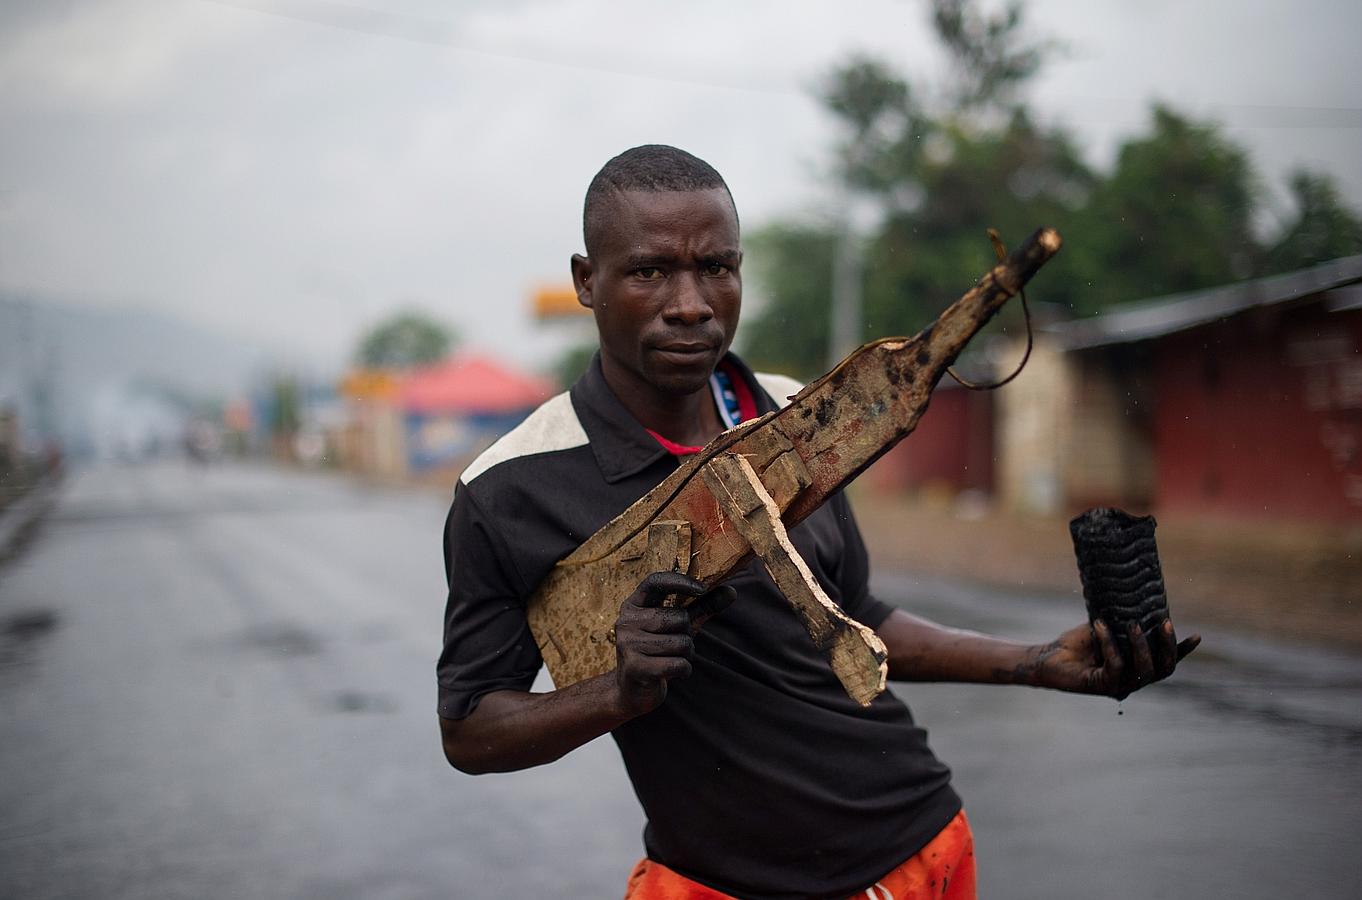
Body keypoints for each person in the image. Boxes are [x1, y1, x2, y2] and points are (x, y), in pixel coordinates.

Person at [437, 145, 1199, 900]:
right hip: (722, 885)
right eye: (649, 271)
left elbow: (856, 614)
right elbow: (470, 728)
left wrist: (1036, 663)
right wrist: (617, 694)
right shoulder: (511, 488)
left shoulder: (801, 415)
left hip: (925, 845)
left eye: (717, 267)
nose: (692, 303)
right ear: (585, 281)